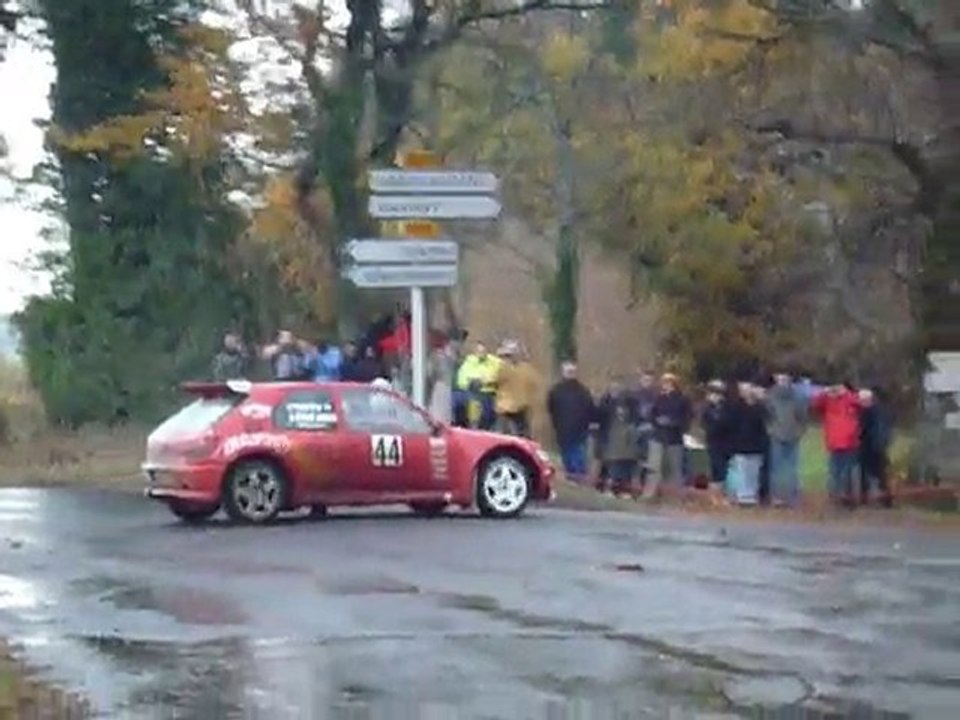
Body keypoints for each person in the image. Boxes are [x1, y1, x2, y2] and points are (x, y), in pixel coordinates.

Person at [811, 382, 862, 506]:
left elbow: (860, 404)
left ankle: (847, 497)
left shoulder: (850, 400)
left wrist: (846, 393)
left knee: (847, 472)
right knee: (835, 472)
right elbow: (815, 404)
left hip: (850, 442)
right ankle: (835, 497)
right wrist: (825, 393)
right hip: (834, 442)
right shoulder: (828, 401)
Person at [642, 373, 692, 500]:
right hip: (658, 437)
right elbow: (651, 415)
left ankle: (675, 496)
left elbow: (687, 419)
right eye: (664, 383)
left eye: (669, 383)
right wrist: (657, 421)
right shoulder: (658, 398)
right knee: (654, 468)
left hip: (674, 438)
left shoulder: (683, 400)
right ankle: (649, 494)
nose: (666, 386)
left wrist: (673, 423)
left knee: (675, 469)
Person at [547, 361, 595, 482]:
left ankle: (578, 478)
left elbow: (590, 408)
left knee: (578, 457)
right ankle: (573, 478)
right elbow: (551, 408)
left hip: (579, 430)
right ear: (563, 373)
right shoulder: (556, 390)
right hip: (563, 430)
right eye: (568, 372)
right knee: (567, 456)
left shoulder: (583, 391)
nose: (570, 374)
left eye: (572, 372)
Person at [765, 371, 808, 506]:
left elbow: (802, 416)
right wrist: (771, 430)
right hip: (776, 435)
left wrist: (800, 431)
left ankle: (792, 497)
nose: (782, 381)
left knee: (792, 468)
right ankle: (777, 497)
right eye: (780, 379)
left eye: (785, 378)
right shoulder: (770, 396)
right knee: (776, 468)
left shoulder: (798, 397)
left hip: (793, 435)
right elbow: (766, 415)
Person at [725, 382, 769, 505]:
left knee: (753, 471)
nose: (746, 392)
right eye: (743, 390)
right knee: (742, 470)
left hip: (757, 445)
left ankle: (752, 495)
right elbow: (730, 424)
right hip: (740, 444)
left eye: (749, 389)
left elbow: (766, 423)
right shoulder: (736, 407)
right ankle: (742, 496)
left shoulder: (760, 407)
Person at [595, 378, 639, 490]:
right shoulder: (605, 401)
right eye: (613, 387)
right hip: (606, 435)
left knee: (621, 464)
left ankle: (620, 487)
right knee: (607, 462)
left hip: (623, 439)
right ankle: (603, 485)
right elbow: (599, 416)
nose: (615, 390)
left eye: (618, 387)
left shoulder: (628, 402)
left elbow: (633, 418)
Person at [494, 340, 538, 437]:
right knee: (506, 435)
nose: (509, 357)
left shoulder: (524, 368)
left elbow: (533, 384)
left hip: (518, 407)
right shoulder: (501, 367)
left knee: (521, 436)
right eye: (507, 355)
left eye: (511, 354)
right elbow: (494, 380)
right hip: (506, 408)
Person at [455, 341, 502, 430]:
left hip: (491, 394)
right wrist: (470, 382)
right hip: (474, 394)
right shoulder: (469, 362)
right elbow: (461, 380)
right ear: (475, 352)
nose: (481, 354)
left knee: (491, 419)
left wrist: (487, 381)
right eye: (479, 351)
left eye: (483, 351)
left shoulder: (494, 361)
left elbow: (501, 374)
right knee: (475, 419)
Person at [858, 388, 893, 507]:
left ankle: (865, 498)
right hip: (880, 445)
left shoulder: (867, 412)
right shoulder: (882, 410)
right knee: (881, 474)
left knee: (867, 473)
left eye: (862, 400)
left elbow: (863, 431)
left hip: (869, 446)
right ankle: (886, 499)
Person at [602, 403, 640, 497]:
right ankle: (610, 490)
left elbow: (633, 441)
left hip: (625, 456)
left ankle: (623, 491)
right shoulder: (615, 426)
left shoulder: (629, 427)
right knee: (614, 474)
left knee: (623, 475)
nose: (621, 415)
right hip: (618, 455)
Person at [701, 379, 731, 488]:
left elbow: (728, 422)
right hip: (713, 441)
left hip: (725, 442)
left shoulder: (727, 407)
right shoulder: (707, 408)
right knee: (715, 466)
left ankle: (724, 489)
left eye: (717, 393)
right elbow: (704, 423)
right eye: (712, 393)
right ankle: (716, 491)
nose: (715, 396)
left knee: (723, 467)